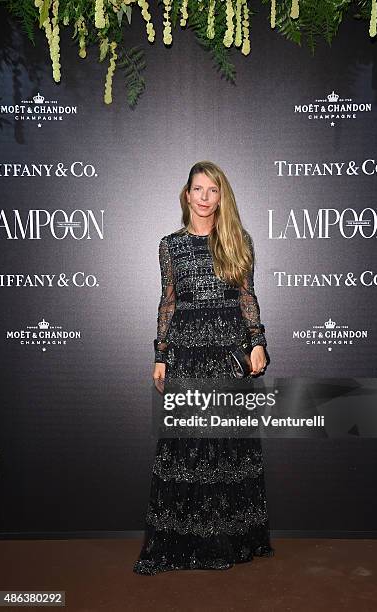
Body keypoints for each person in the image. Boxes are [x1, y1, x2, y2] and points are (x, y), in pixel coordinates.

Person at [133, 161, 275, 575]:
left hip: (228, 354)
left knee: (227, 446)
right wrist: (161, 354)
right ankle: (184, 543)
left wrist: (258, 342)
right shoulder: (170, 245)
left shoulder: (238, 240)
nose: (205, 197)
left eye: (213, 190)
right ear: (187, 193)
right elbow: (168, 302)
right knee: (188, 447)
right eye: (198, 188)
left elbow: (248, 296)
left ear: (221, 196)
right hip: (188, 354)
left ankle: (230, 540)